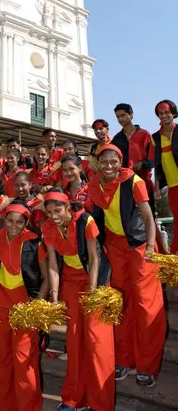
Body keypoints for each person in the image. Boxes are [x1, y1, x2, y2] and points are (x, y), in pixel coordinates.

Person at [88, 144, 166, 386]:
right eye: (104, 162)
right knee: (121, 304)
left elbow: (148, 216)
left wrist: (152, 249)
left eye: (114, 161)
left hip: (140, 246)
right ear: (97, 164)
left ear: (120, 162)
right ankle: (125, 360)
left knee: (146, 304)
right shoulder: (94, 186)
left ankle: (146, 365)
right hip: (115, 248)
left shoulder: (134, 182)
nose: (109, 166)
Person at [42, 189, 115, 411]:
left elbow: (94, 259)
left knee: (97, 342)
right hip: (70, 283)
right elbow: (53, 264)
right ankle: (73, 398)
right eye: (49, 212)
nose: (53, 216)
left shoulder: (85, 220)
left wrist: (92, 292)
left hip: (94, 282)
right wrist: (55, 298)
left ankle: (100, 403)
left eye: (57, 211)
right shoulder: (48, 228)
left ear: (67, 207)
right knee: (73, 341)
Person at [0, 203, 49, 411]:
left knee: (25, 363)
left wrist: (35, 305)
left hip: (25, 310)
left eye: (19, 222)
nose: (14, 226)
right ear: (3, 220)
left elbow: (46, 279)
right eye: (10, 221)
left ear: (26, 223)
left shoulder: (35, 243)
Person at [150, 99, 178, 254]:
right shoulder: (155, 138)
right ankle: (175, 253)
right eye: (161, 113)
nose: (164, 116)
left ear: (173, 113)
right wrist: (157, 185)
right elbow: (157, 164)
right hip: (172, 185)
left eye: (167, 112)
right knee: (177, 219)